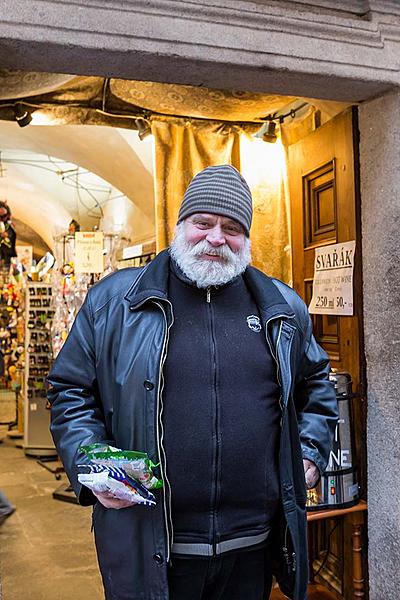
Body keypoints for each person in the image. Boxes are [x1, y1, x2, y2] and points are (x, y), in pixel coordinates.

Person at [47, 165, 338, 600]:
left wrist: (311, 452)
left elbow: (317, 385)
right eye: (203, 223)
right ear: (180, 225)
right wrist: (91, 460)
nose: (216, 238)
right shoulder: (115, 303)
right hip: (152, 545)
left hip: (252, 547)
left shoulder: (282, 306)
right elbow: (70, 391)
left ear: (247, 239)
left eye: (232, 227)